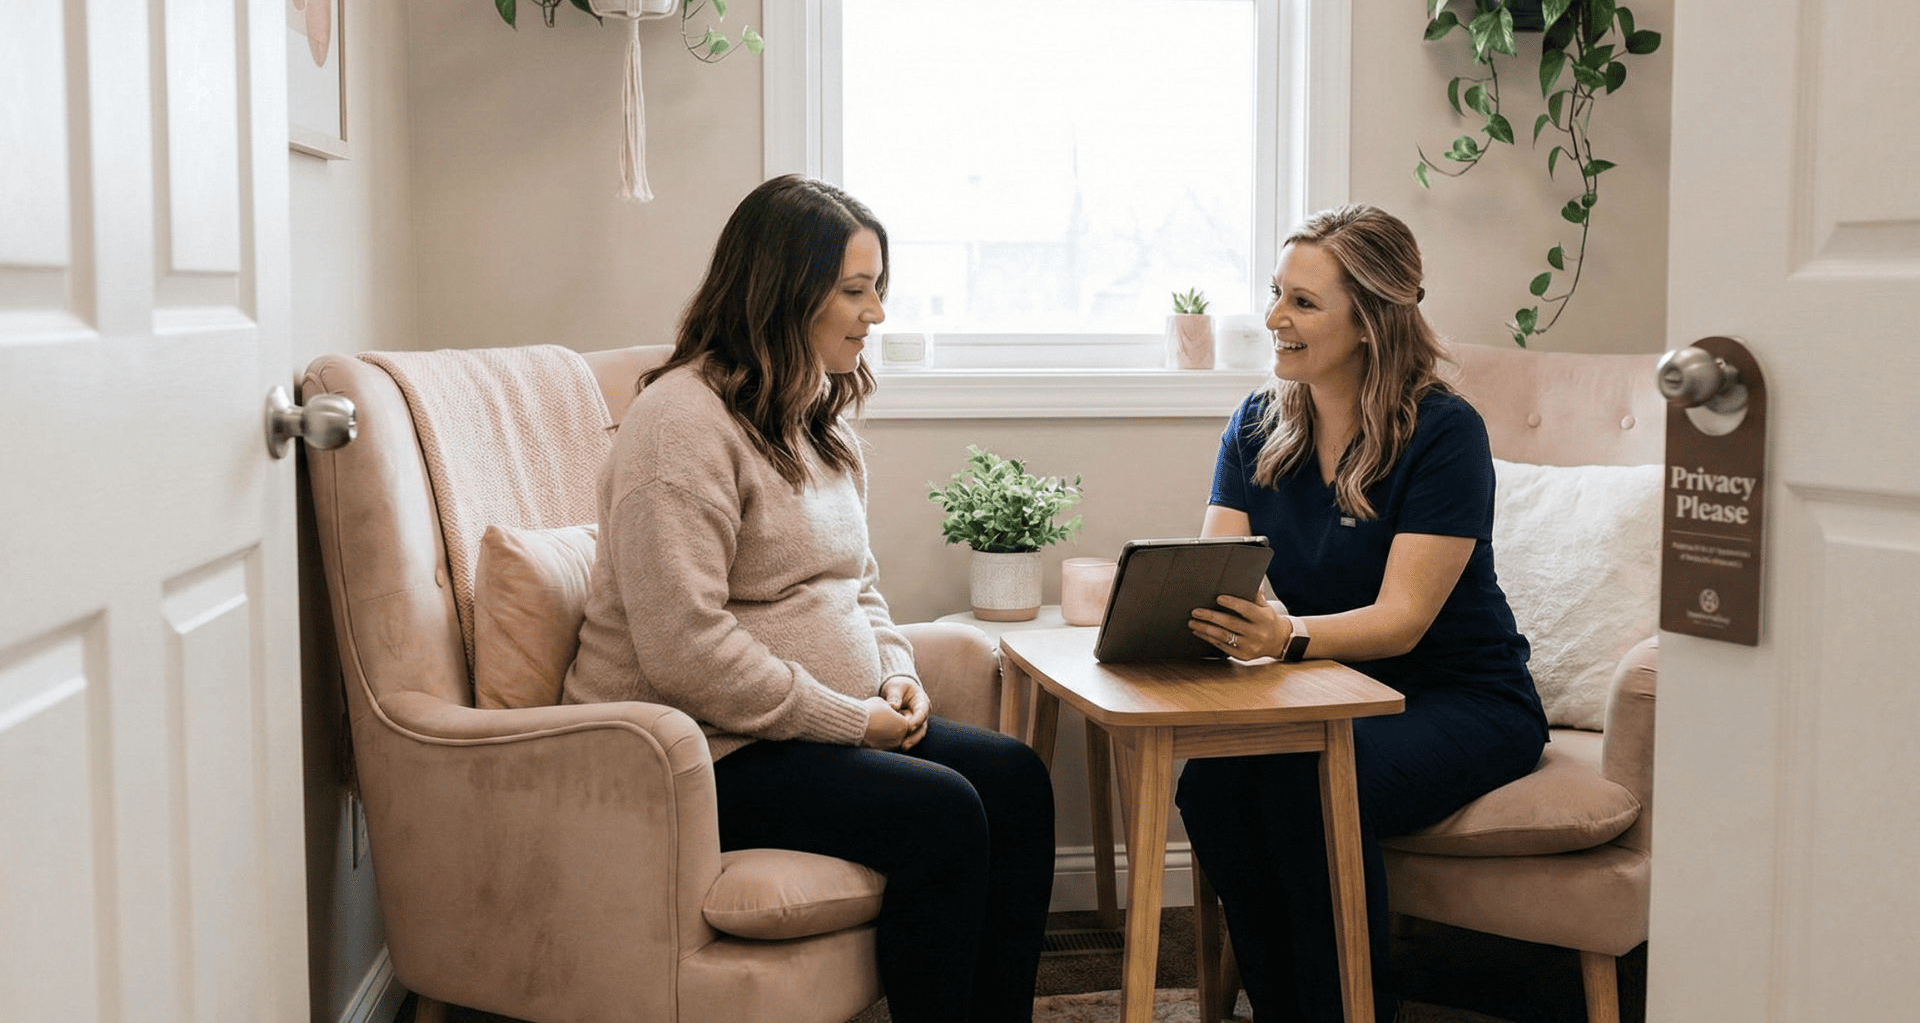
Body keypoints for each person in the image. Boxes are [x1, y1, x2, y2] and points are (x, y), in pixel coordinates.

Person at [563, 175, 1055, 1023]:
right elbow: (684, 650)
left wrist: (896, 674)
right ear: (783, 291)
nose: (876, 314)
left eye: (878, 289)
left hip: (806, 730)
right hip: (698, 754)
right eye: (855, 290)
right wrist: (851, 721)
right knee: (942, 815)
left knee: (1015, 780)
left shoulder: (815, 418)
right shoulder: (679, 427)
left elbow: (857, 584)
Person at [1176, 205, 1549, 1023]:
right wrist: (1185, 613)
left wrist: (1285, 637)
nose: (1274, 317)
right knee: (1210, 785)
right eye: (1276, 293)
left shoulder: (1443, 431)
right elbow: (1218, 574)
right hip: (1326, 695)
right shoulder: (1256, 424)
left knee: (1310, 785)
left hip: (1460, 699)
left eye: (1303, 302)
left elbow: (1403, 620)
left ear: (1372, 320)